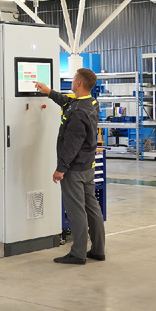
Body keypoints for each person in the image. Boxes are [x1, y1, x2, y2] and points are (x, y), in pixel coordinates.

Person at [34, 69, 104, 265]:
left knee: (76, 211)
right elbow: (67, 102)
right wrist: (49, 92)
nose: (72, 82)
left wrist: (61, 169)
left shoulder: (78, 112)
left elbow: (72, 145)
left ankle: (78, 253)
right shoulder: (90, 103)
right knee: (92, 208)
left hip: (74, 169)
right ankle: (98, 250)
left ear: (78, 83)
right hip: (88, 166)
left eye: (73, 79)